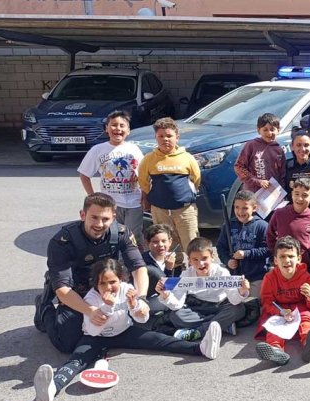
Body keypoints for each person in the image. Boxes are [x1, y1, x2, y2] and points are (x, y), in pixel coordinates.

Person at [33, 259, 221, 401]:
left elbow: (142, 319)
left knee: (159, 340)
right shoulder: (91, 297)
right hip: (95, 337)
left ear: (121, 279)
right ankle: (51, 389)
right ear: (96, 284)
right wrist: (107, 306)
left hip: (124, 331)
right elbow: (93, 329)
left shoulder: (127, 290)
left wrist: (136, 306)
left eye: (113, 282)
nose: (108, 287)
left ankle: (200, 348)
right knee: (76, 361)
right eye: (103, 283)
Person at [36, 193, 149, 354]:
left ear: (114, 217)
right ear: (83, 215)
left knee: (151, 274)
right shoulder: (63, 241)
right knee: (67, 344)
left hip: (108, 285)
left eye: (105, 219)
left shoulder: (122, 233)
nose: (99, 224)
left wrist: (141, 299)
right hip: (77, 289)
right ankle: (45, 308)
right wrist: (91, 311)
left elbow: (138, 266)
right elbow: (63, 289)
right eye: (94, 217)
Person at [156, 237, 249, 340]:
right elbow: (177, 304)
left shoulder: (222, 272)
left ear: (212, 257)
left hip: (220, 306)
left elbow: (234, 300)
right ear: (189, 261)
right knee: (176, 316)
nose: (200, 264)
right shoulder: (186, 275)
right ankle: (223, 325)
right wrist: (165, 294)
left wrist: (242, 290)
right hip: (198, 308)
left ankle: (199, 332)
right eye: (195, 260)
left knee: (238, 309)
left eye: (204, 258)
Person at [77, 110, 145, 247]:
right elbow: (84, 175)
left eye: (122, 125)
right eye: (113, 125)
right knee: (111, 236)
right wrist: (93, 196)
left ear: (128, 130)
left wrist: (144, 197)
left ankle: (134, 264)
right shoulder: (97, 150)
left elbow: (143, 176)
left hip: (133, 203)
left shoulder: (134, 149)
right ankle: (113, 264)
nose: (118, 129)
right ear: (106, 128)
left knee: (133, 237)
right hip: (109, 205)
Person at [138, 117, 201, 257]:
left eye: (169, 136)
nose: (165, 139)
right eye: (161, 136)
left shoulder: (187, 158)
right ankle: (174, 270)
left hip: (185, 210)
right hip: (160, 210)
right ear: (155, 137)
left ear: (177, 137)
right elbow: (143, 181)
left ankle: (194, 271)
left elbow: (196, 179)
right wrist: (156, 197)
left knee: (191, 243)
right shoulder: (149, 159)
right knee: (167, 245)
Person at [256, 237, 310, 366]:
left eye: (291, 256)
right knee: (274, 324)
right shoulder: (269, 278)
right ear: (275, 260)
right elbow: (266, 302)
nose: (287, 260)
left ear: (299, 258)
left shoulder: (306, 277)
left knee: (307, 317)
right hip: (278, 309)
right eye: (282, 257)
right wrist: (279, 312)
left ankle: (308, 342)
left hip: (299, 308)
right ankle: (276, 350)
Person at [216, 190, 269, 298]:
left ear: (254, 208)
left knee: (254, 303)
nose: (240, 212)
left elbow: (268, 249)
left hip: (256, 276)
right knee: (235, 303)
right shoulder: (228, 225)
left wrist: (247, 254)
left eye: (245, 208)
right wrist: (227, 260)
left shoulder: (262, 226)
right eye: (237, 207)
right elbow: (221, 247)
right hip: (234, 276)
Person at [266, 177, 310, 266]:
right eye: (297, 194)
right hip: (284, 264)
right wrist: (278, 253)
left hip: (304, 265)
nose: (300, 198)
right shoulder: (279, 213)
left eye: (305, 195)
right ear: (292, 194)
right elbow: (270, 236)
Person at [233, 113, 286, 193]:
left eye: (272, 129)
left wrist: (281, 191)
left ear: (278, 130)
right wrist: (257, 181)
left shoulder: (279, 150)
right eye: (265, 130)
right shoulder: (251, 145)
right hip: (253, 192)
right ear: (258, 130)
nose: (269, 133)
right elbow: (239, 167)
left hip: (272, 195)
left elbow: (282, 174)